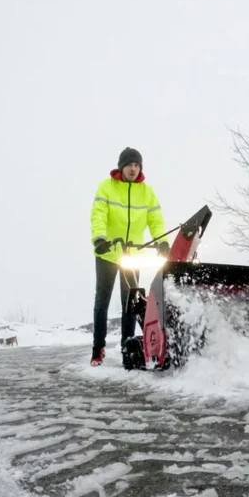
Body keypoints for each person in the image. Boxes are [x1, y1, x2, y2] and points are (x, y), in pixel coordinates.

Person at [89, 147, 170, 366]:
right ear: (121, 166)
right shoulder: (106, 187)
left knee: (130, 302)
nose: (133, 169)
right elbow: (98, 214)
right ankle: (98, 348)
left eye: (137, 165)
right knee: (102, 301)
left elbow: (155, 220)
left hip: (132, 254)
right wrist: (99, 238)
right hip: (107, 253)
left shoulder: (147, 192)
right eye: (129, 165)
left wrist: (162, 241)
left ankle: (128, 346)